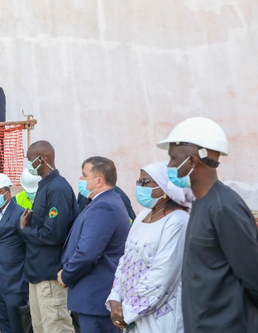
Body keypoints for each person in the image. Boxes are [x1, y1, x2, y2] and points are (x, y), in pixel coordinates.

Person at [157, 117, 258, 332]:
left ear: (192, 161)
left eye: (173, 159)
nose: (169, 166)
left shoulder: (223, 207)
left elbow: (253, 275)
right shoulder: (202, 202)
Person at [106, 161, 191, 333]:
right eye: (139, 182)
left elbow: (163, 274)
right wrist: (115, 297)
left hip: (160, 316)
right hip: (131, 312)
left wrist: (128, 310)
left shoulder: (177, 221)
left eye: (145, 182)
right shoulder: (143, 215)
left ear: (165, 190)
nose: (140, 187)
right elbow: (126, 259)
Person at [58, 157, 130, 333]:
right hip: (96, 297)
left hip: (96, 297)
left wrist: (67, 275)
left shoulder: (104, 206)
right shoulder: (104, 202)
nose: (81, 180)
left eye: (84, 175)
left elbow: (87, 253)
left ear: (98, 181)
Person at [19, 141, 76, 333]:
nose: (28, 165)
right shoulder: (45, 186)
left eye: (29, 160)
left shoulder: (57, 189)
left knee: (56, 327)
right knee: (41, 328)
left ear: (41, 159)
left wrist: (25, 230)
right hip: (37, 274)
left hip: (50, 275)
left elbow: (54, 234)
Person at [0, 173, 28, 333]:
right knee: (3, 322)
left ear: (8, 193)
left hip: (15, 281)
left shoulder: (20, 214)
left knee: (17, 325)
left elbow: (28, 246)